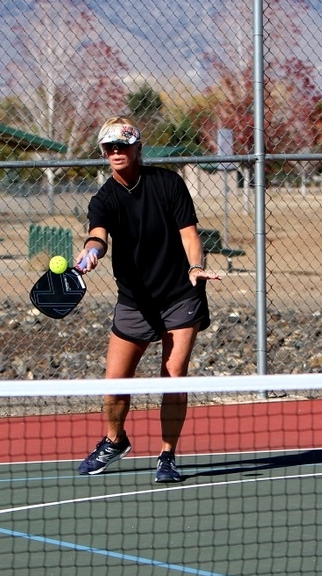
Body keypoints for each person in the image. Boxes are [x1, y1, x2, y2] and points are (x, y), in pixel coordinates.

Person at [74, 117, 222, 484]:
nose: (116, 152)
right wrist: (92, 252)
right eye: (109, 147)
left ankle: (167, 455)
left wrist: (196, 267)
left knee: (172, 378)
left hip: (179, 294)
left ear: (138, 148)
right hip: (134, 301)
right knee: (114, 383)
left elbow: (189, 235)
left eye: (123, 146)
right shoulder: (104, 197)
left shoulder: (168, 184)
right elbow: (97, 235)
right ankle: (114, 441)